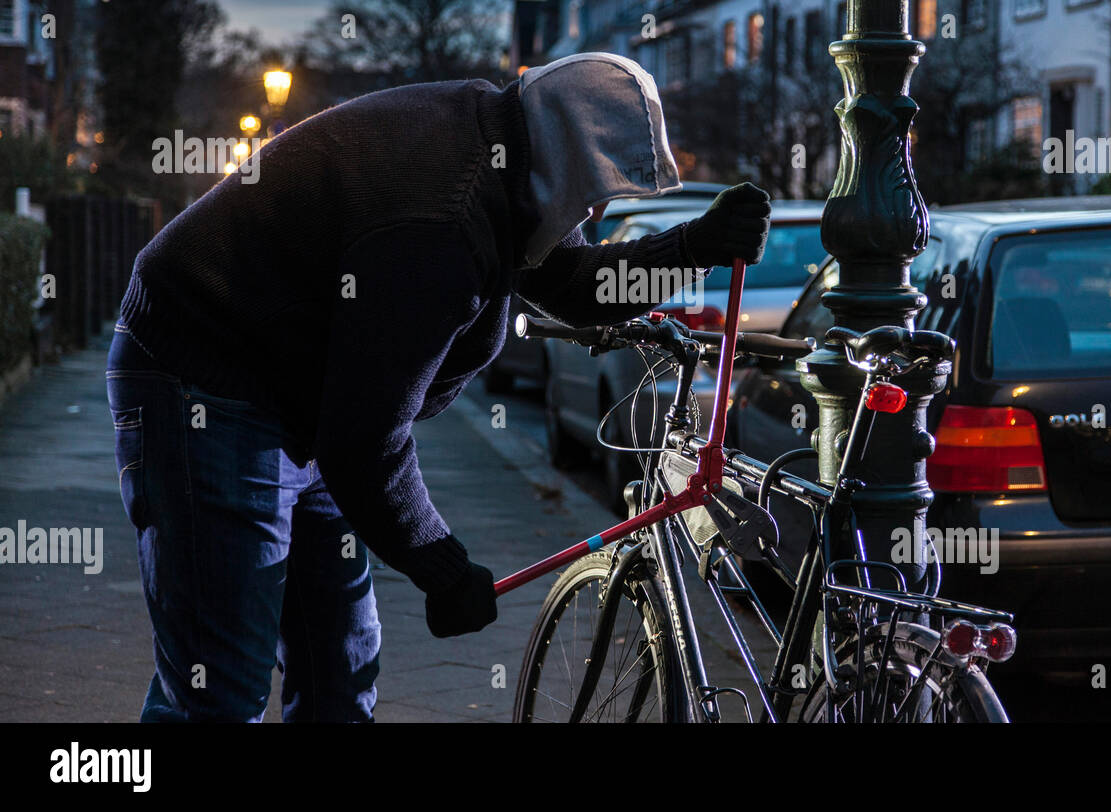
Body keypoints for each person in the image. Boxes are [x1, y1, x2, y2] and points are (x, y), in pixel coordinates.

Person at [105, 51, 771, 722]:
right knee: (216, 687)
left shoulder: (508, 153)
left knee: (340, 661)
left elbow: (569, 282)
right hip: (202, 382)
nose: (596, 207)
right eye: (597, 187)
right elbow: (364, 440)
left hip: (300, 398)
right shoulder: (441, 219)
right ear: (568, 154)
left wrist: (693, 247)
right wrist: (443, 567)